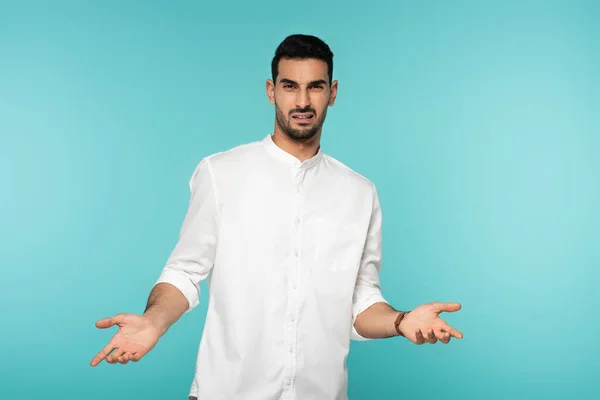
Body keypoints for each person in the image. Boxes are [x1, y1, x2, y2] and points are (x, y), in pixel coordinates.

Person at [90, 34, 463, 400]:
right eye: (290, 86)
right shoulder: (221, 173)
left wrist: (401, 321)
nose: (302, 101)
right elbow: (186, 271)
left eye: (315, 87)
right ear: (271, 91)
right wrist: (154, 321)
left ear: (333, 92)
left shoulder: (360, 193)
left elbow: (360, 304)